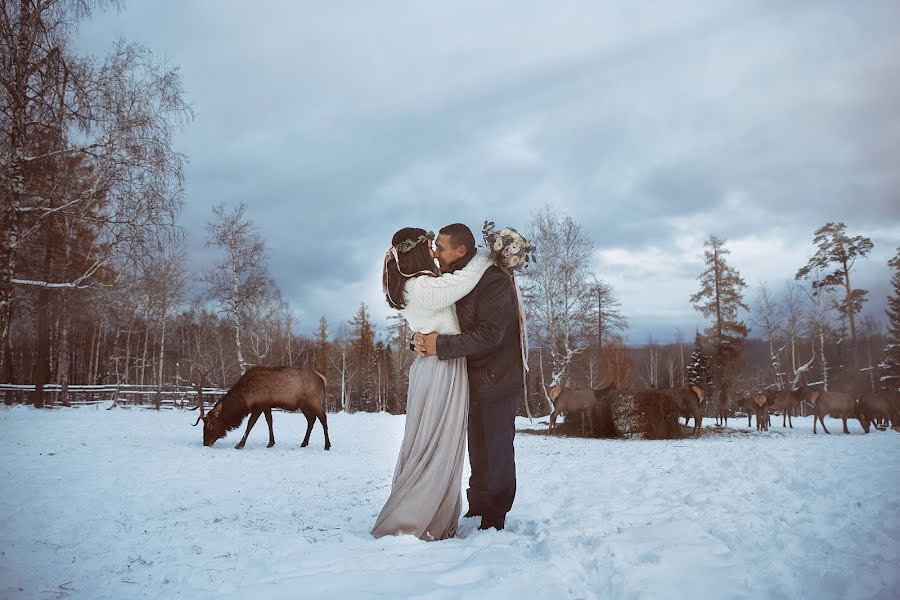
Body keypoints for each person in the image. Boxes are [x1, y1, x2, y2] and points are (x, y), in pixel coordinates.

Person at [371, 227, 493, 541]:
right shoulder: (423, 287)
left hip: (433, 365)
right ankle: (415, 517)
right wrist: (492, 251)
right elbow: (466, 280)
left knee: (430, 441)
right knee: (436, 444)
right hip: (442, 368)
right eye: (431, 246)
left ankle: (429, 510)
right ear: (418, 252)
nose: (435, 252)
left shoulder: (417, 285)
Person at [414, 223, 525, 531]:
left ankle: (495, 516)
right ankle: (477, 506)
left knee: (497, 448)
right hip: (468, 378)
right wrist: (421, 339)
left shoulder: (493, 282)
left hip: (497, 378)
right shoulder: (454, 281)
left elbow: (491, 335)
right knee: (477, 446)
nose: (435, 252)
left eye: (440, 247)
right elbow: (443, 321)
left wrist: (441, 346)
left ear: (461, 251)